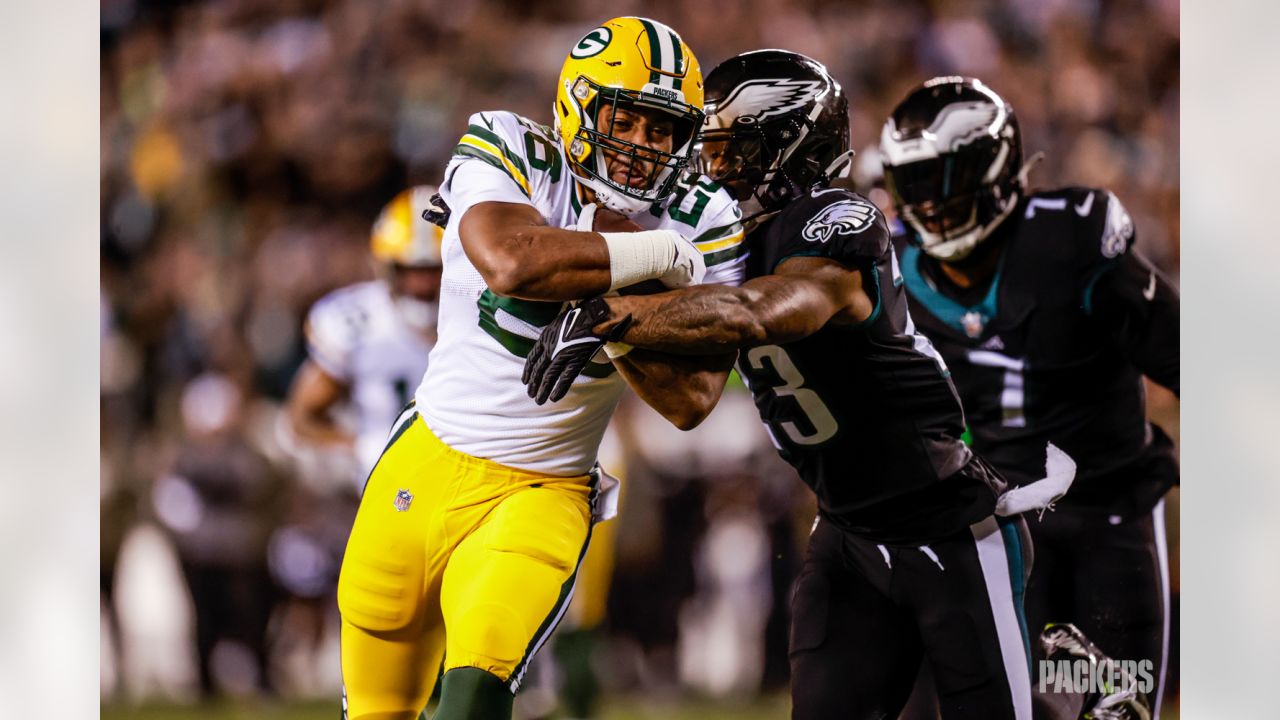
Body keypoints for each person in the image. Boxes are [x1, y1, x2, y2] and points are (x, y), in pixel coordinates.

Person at [523, 49, 1073, 720]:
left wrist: (612, 314)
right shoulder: (724, 238)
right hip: (846, 533)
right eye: (708, 152)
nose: (710, 171)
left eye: (730, 151)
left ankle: (1086, 706)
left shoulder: (837, 220)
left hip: (952, 525)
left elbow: (763, 312)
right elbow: (689, 398)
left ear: (789, 149)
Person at [336, 17, 746, 720]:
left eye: (663, 130)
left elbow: (693, 398)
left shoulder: (706, 217)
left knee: (471, 703)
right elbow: (511, 259)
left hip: (543, 488)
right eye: (626, 120)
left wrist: (610, 318)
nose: (642, 148)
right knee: (377, 711)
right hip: (424, 465)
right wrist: (654, 259)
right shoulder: (508, 142)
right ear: (580, 108)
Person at [879, 76, 1178, 718]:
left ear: (995, 165)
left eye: (945, 177)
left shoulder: (1069, 238)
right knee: (1017, 709)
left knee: (1120, 708)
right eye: (916, 182)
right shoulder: (891, 270)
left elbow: (1182, 352)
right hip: (999, 527)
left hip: (1112, 509)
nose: (929, 203)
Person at [286, 185, 444, 492]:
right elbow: (302, 419)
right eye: (410, 270)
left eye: (434, 270)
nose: (422, 285)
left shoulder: (488, 318)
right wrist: (360, 448)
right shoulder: (356, 323)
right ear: (386, 267)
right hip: (382, 490)